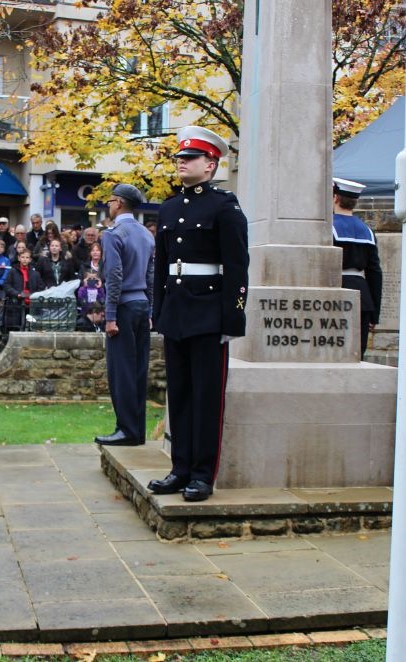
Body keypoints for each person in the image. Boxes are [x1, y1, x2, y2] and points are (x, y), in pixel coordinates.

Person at [148, 126, 249, 502]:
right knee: (181, 394)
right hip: (176, 311)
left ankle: (202, 475)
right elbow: (161, 267)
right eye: (179, 157)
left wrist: (232, 320)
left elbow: (237, 267)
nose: (181, 163)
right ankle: (180, 468)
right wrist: (158, 311)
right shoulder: (170, 207)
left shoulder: (224, 206)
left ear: (211, 164)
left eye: (189, 158)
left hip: (208, 313)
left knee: (207, 397)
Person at [94, 184, 155, 447]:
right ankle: (136, 430)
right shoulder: (146, 234)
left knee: (121, 373)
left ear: (118, 203)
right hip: (141, 304)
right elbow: (151, 277)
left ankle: (126, 430)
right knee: (139, 370)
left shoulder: (113, 234)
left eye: (110, 201)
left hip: (123, 308)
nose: (108, 205)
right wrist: (151, 310)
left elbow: (114, 276)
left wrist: (109, 316)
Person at [332, 177, 383, 359]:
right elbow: (375, 273)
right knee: (356, 356)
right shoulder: (367, 231)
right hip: (363, 297)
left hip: (335, 292)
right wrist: (374, 314)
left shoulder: (327, 228)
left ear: (335, 198)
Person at [2, 249, 45, 330]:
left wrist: (33, 295)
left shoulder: (35, 274)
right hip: (17, 303)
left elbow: (41, 287)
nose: (25, 259)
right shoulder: (12, 271)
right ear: (19, 258)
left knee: (31, 326)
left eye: (27, 257)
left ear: (30, 259)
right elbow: (6, 285)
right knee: (17, 327)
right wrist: (16, 293)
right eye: (23, 257)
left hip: (31, 304)